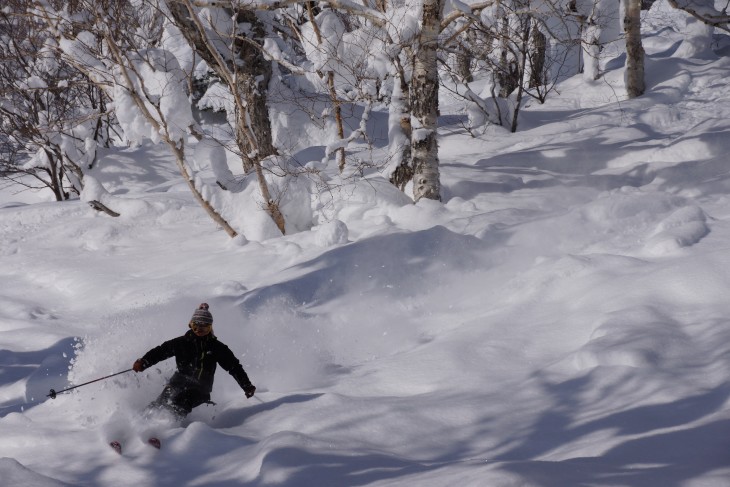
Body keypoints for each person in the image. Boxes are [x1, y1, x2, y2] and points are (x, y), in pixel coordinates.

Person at [132, 303, 256, 419]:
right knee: (162, 400)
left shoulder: (217, 348)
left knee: (181, 401)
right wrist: (144, 362)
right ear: (190, 325)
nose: (199, 331)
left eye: (204, 328)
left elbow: (234, 367)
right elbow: (160, 352)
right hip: (178, 382)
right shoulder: (181, 343)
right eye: (196, 327)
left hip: (200, 389)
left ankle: (164, 427)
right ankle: (138, 421)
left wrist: (246, 385)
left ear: (210, 328)